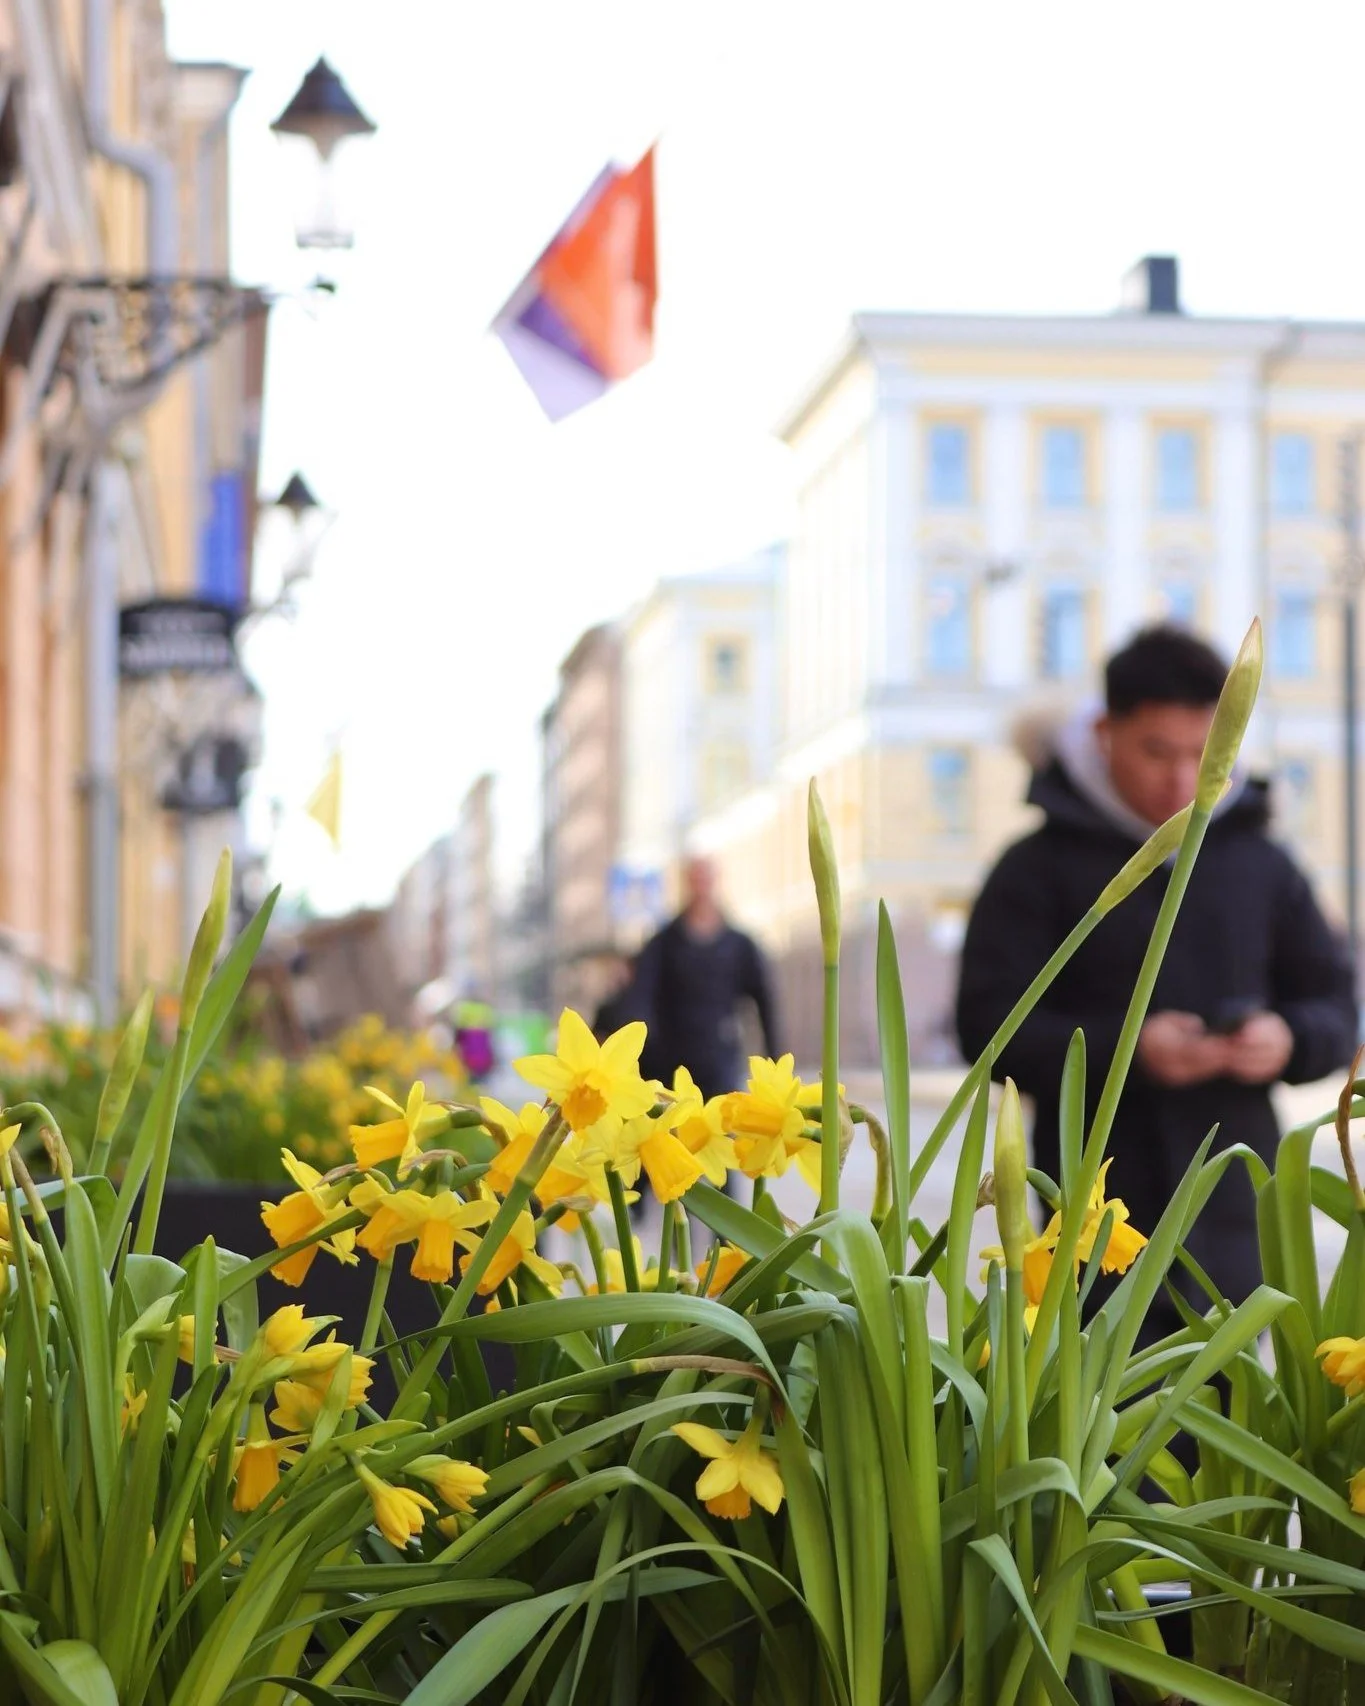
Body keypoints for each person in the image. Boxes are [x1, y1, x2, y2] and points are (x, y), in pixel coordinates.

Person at [955, 625, 1356, 1337]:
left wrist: (1285, 1040)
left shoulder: (1261, 861)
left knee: (1228, 1412)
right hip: (1093, 1216)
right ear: (1105, 732)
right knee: (1099, 1423)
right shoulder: (1033, 866)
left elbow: (1335, 1009)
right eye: (1155, 751)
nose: (1180, 778)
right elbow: (986, 1028)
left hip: (1236, 1207)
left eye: (1200, 753)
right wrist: (1130, 1050)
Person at [631, 855, 780, 1099]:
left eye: (705, 879)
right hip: (671, 1063)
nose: (701, 887)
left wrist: (774, 1060)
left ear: (715, 882)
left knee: (722, 1130)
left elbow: (766, 1002)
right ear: (686, 883)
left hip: (720, 1062)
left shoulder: (739, 945)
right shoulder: (662, 943)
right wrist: (644, 1057)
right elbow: (640, 1000)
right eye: (695, 880)